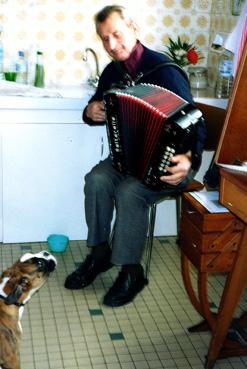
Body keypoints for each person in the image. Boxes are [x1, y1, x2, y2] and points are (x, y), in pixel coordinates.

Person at [64, 5, 206, 307]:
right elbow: (93, 108)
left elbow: (197, 121)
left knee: (130, 192)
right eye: (105, 39)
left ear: (134, 29)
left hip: (171, 163)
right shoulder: (112, 72)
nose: (112, 45)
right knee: (97, 179)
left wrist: (190, 160)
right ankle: (99, 254)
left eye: (116, 34)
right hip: (128, 160)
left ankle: (131, 271)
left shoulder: (165, 70)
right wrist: (90, 111)